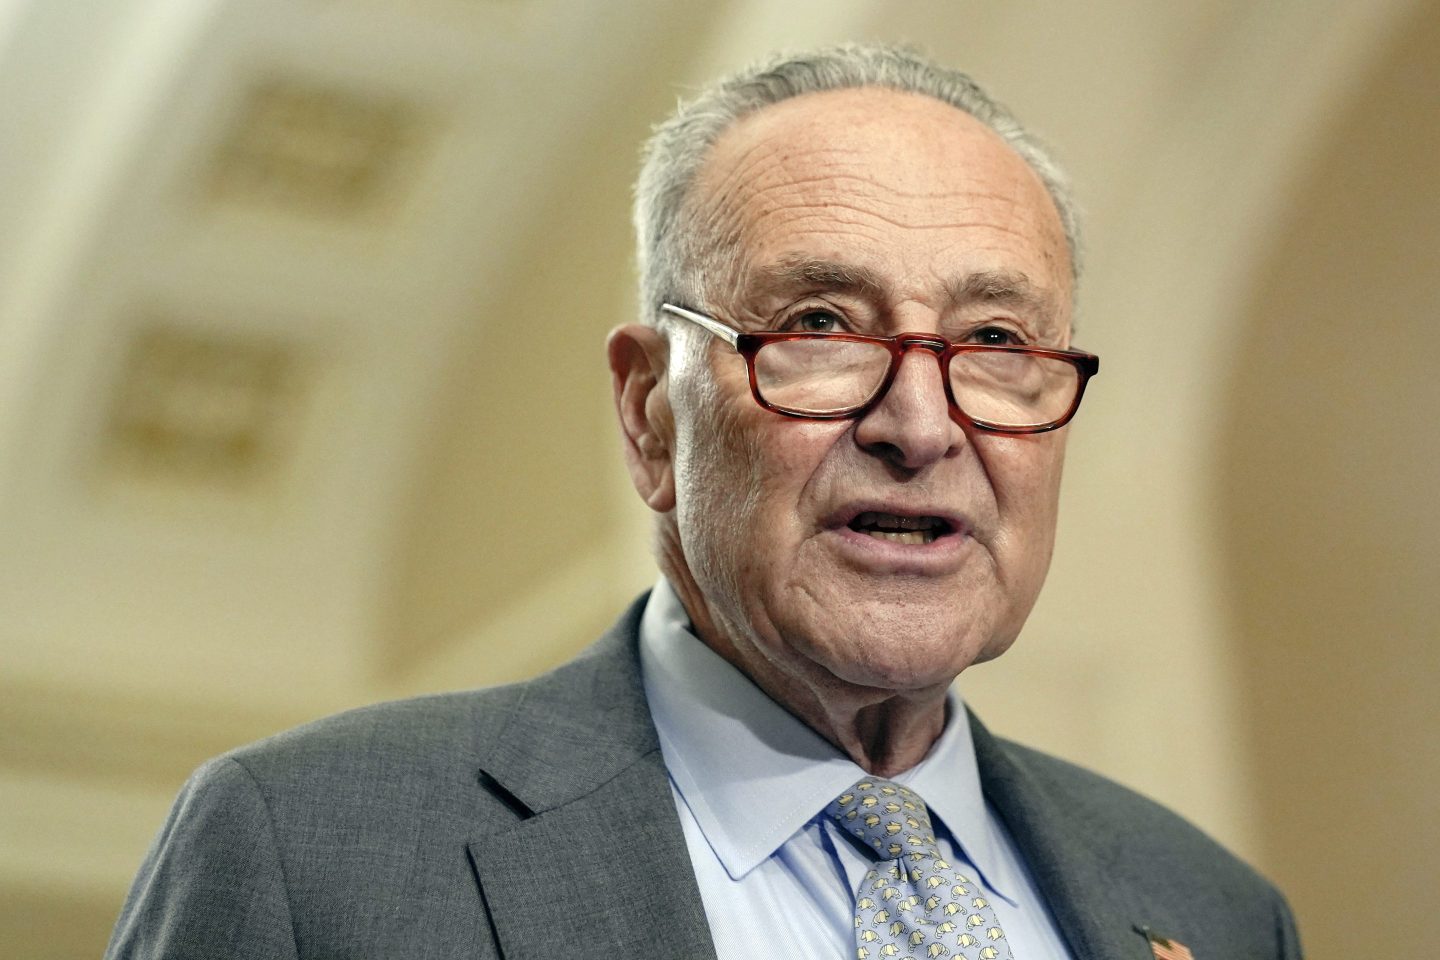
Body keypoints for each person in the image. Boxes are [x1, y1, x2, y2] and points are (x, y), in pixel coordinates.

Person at [106, 43, 1301, 959]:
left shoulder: (1212, 909)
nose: (922, 424)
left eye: (994, 339)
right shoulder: (310, 852)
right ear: (648, 413)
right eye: (822, 326)